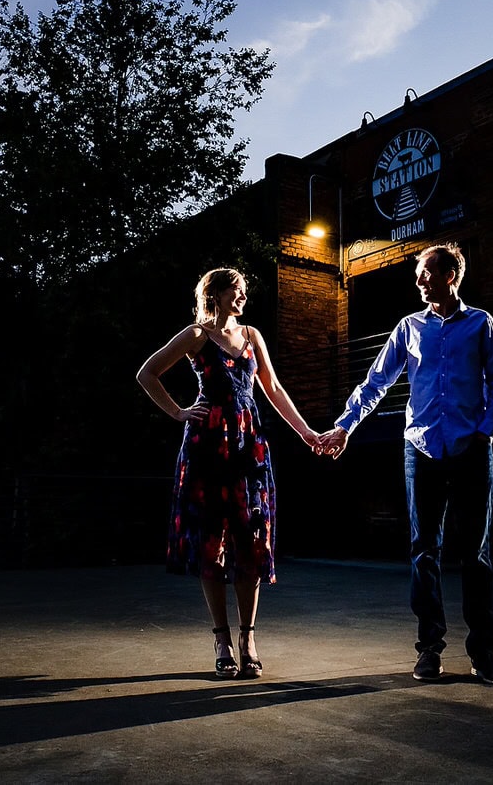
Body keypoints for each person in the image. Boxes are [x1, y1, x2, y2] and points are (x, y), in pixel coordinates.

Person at [316, 243, 493, 685]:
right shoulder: (408, 328)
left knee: (476, 554)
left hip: (471, 448)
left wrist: (487, 429)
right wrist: (345, 427)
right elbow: (376, 382)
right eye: (419, 274)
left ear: (450, 275)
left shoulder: (480, 323)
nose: (419, 280)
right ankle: (429, 649)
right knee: (424, 551)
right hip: (420, 449)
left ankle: (483, 654)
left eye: (426, 272)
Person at [137, 267, 322, 680]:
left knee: (252, 542)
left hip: (248, 448)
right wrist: (180, 412)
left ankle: (248, 637)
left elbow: (272, 389)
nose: (242, 297)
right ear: (216, 294)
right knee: (210, 544)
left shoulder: (252, 336)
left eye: (243, 291)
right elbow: (146, 373)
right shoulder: (197, 335)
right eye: (235, 291)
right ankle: (221, 639)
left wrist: (307, 433)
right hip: (207, 448)